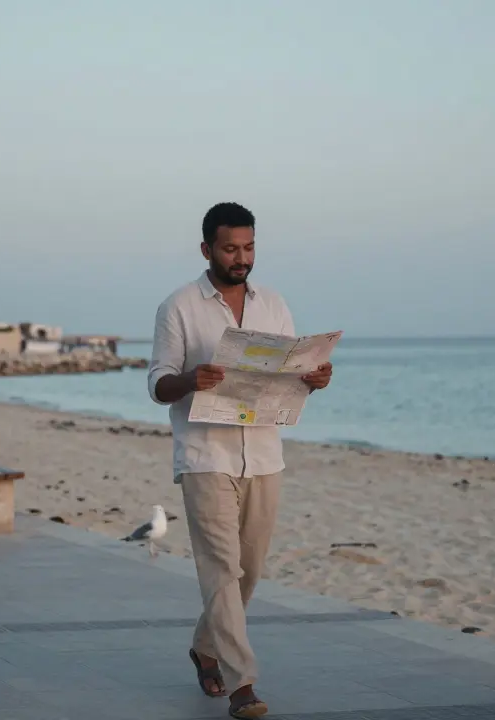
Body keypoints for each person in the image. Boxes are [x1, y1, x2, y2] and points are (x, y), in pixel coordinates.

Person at [147, 202, 332, 718]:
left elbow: (286, 380)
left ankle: (205, 647)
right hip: (205, 455)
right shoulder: (178, 306)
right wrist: (191, 379)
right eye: (230, 248)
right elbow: (158, 384)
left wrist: (312, 380)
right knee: (221, 569)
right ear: (206, 249)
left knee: (248, 572)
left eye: (249, 247)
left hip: (264, 456)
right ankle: (241, 684)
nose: (242, 258)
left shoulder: (273, 304)